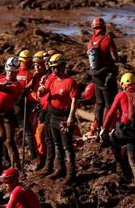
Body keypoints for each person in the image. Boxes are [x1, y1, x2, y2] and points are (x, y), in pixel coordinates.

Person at [101, 73, 135, 186]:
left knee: (113, 139)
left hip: (123, 132)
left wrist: (105, 129)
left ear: (123, 84)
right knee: (133, 159)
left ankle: (120, 166)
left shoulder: (121, 95)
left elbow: (110, 113)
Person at [38, 54, 78, 184]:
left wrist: (71, 117)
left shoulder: (70, 82)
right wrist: (41, 87)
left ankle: (71, 173)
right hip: (53, 115)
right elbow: (43, 92)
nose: (55, 70)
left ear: (63, 66)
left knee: (67, 146)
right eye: (53, 68)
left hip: (64, 117)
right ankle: (59, 168)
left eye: (57, 67)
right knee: (56, 144)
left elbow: (74, 100)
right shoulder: (52, 79)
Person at [86, 17, 120, 137]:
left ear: (93, 29)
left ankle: (97, 126)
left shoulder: (90, 43)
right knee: (109, 104)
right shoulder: (107, 40)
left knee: (99, 103)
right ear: (104, 28)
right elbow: (115, 58)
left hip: (96, 77)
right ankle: (106, 129)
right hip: (107, 77)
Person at [17, 49, 37, 161]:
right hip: (25, 105)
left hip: (12, 105)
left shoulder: (14, 73)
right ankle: (34, 155)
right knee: (29, 132)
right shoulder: (30, 75)